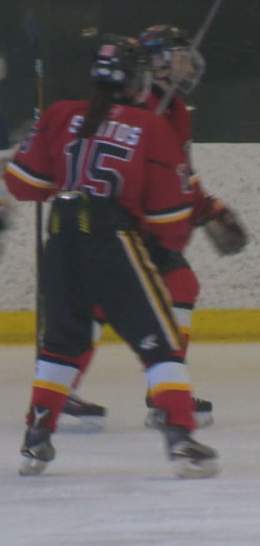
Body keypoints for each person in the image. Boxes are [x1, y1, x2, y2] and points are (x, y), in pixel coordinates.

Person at [3, 35, 218, 477]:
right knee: (160, 342)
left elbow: (24, 184)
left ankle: (35, 440)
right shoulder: (151, 125)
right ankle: (180, 439)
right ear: (139, 79)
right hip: (113, 240)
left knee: (61, 345)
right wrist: (166, 240)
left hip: (60, 240)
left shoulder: (61, 113)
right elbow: (169, 216)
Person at [61, 24, 247, 430]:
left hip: (148, 230)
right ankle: (61, 391)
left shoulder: (176, 111)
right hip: (117, 225)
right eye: (178, 55)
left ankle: (165, 393)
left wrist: (207, 207)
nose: (187, 64)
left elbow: (179, 174)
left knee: (181, 285)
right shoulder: (131, 104)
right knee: (95, 305)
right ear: (157, 63)